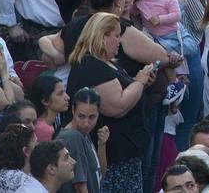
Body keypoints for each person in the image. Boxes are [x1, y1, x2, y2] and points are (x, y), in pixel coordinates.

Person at [65, 13, 159, 193]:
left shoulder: (108, 63)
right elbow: (118, 106)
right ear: (101, 36)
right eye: (116, 36)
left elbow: (125, 91)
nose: (119, 41)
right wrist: (139, 81)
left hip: (127, 156)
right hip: (113, 158)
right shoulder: (91, 65)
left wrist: (141, 84)